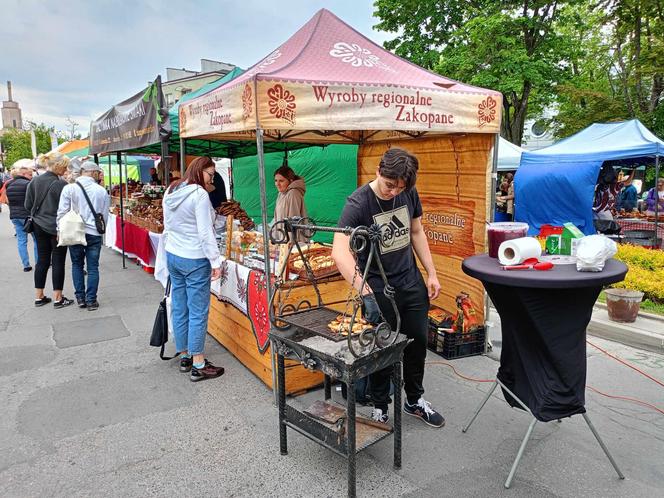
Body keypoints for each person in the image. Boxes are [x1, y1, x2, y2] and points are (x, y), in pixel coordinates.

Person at [332, 147, 445, 428]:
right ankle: (380, 406)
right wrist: (364, 291)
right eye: (389, 185)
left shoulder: (408, 192)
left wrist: (431, 273)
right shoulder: (358, 204)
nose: (394, 192)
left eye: (400, 188)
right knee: (382, 350)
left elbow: (417, 231)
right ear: (378, 172)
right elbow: (339, 252)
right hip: (379, 287)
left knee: (417, 344)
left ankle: (414, 400)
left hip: (411, 281)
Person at [163, 156, 224, 382]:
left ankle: (185, 354)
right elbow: (205, 232)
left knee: (180, 306)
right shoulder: (198, 194)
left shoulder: (171, 190)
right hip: (194, 257)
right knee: (197, 310)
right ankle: (198, 362)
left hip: (174, 254)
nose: (212, 178)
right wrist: (215, 261)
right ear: (200, 172)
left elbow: (168, 225)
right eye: (210, 174)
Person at [57, 161, 110, 311]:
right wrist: (102, 230)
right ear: (92, 172)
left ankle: (80, 298)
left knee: (77, 265)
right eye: (98, 172)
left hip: (75, 232)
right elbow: (104, 215)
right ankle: (91, 300)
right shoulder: (100, 190)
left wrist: (59, 229)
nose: (99, 175)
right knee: (93, 267)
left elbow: (62, 212)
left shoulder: (69, 189)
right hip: (94, 232)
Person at [24, 151, 73, 308]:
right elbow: (69, 208)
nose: (65, 170)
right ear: (58, 166)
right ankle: (58, 298)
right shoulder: (61, 185)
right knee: (58, 260)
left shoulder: (34, 181)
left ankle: (39, 296)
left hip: (38, 225)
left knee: (42, 260)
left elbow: (27, 205)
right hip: (57, 228)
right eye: (64, 167)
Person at [5, 160, 38, 271]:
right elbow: (33, 201)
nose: (31, 176)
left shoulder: (8, 183)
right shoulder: (28, 184)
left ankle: (26, 265)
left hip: (14, 216)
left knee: (21, 240)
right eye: (29, 174)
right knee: (36, 239)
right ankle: (39, 262)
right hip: (28, 216)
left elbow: (8, 200)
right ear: (23, 174)